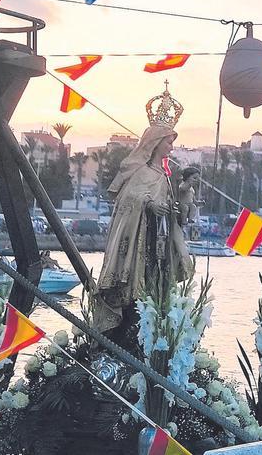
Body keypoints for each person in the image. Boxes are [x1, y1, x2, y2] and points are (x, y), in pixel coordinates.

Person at [93, 88, 193, 339]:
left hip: (159, 246)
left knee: (156, 292)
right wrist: (148, 203)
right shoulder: (142, 171)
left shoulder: (165, 175)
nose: (172, 146)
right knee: (135, 299)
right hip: (139, 245)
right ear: (155, 142)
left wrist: (176, 210)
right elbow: (128, 201)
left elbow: (172, 213)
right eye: (168, 141)